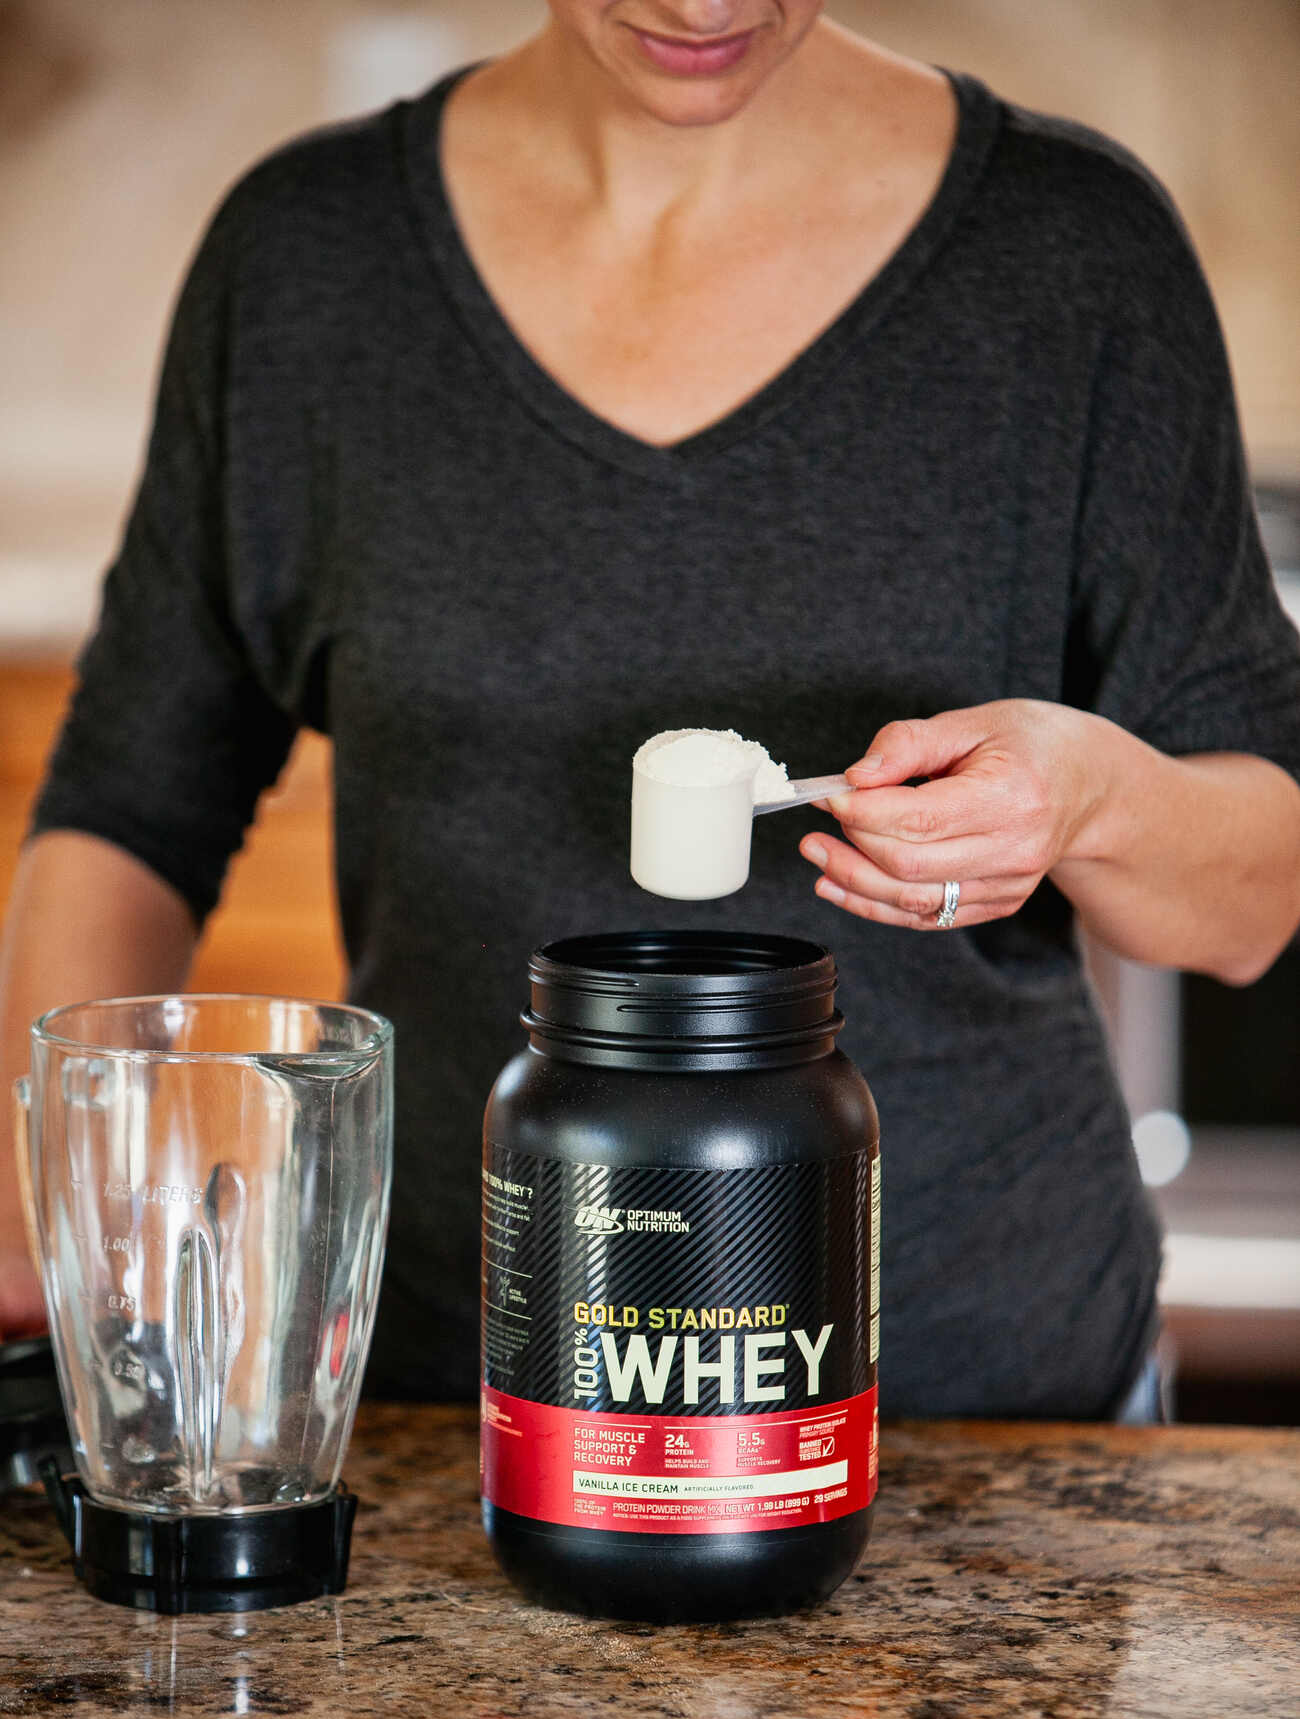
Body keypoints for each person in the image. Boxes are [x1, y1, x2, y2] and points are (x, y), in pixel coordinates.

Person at [1, 3, 1298, 1417]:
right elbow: (128, 812)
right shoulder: (310, 260)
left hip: (986, 1405)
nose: (702, 4)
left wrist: (1090, 796)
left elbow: (1252, 909)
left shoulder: (1073, 252)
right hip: (453, 1415)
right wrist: (58, 1229)